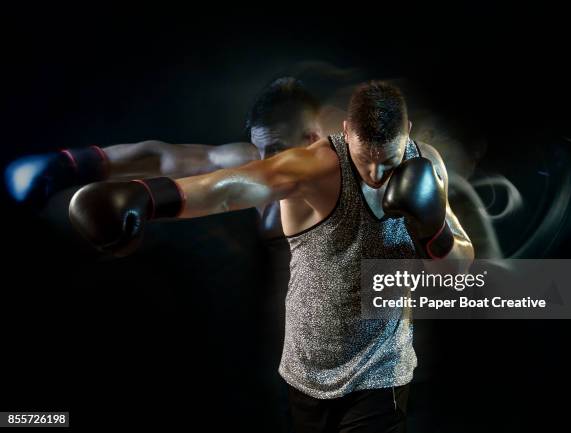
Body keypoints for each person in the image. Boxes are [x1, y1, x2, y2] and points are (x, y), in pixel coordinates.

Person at [69, 80, 474, 432]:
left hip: (382, 370)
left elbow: (461, 265)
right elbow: (228, 189)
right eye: (364, 159)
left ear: (406, 131)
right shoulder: (313, 165)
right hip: (306, 370)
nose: (376, 173)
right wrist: (147, 197)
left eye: (388, 161)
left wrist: (433, 229)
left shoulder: (427, 163)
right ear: (346, 132)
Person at [4, 77, 322, 238]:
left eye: (277, 150)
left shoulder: (358, 189)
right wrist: (75, 163)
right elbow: (161, 158)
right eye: (260, 148)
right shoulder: (253, 163)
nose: (265, 161)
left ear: (312, 140)